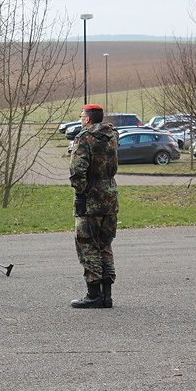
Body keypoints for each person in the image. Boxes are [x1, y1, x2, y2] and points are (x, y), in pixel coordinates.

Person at [69, 103, 119, 308]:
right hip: (110, 195)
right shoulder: (112, 136)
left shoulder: (84, 138)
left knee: (87, 244)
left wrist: (80, 193)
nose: (81, 119)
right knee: (105, 244)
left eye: (82, 116)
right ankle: (106, 294)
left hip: (90, 198)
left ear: (88, 119)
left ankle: (94, 293)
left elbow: (77, 170)